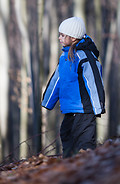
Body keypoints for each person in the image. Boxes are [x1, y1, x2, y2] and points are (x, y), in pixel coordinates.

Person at [41, 16, 105, 158]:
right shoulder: (64, 58)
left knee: (84, 141)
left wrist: (98, 106)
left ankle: (88, 168)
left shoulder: (85, 57)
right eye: (60, 34)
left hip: (85, 110)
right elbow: (57, 80)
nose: (59, 38)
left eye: (63, 35)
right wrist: (47, 102)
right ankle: (70, 167)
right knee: (66, 135)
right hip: (70, 109)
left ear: (73, 37)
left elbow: (94, 82)